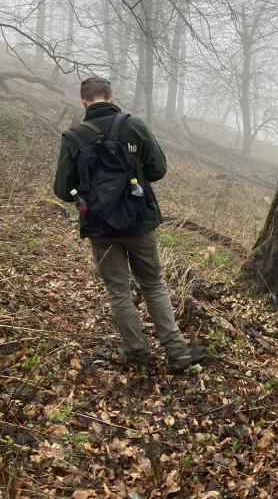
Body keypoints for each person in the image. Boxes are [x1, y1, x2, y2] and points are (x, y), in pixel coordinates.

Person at [54, 76, 204, 373]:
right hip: (139, 221)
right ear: (112, 97)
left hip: (99, 227)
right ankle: (176, 352)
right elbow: (158, 169)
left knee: (118, 291)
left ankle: (136, 354)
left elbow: (61, 190)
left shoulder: (73, 138)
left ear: (84, 101)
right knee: (153, 284)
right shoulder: (133, 126)